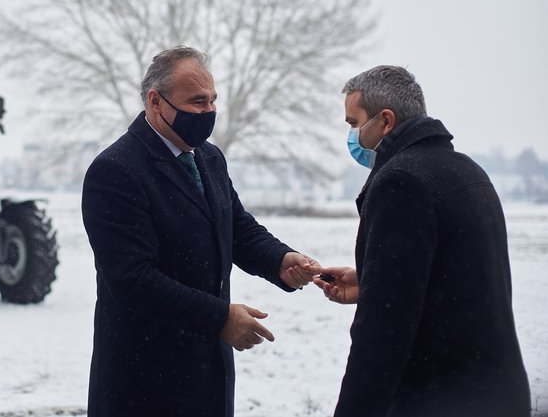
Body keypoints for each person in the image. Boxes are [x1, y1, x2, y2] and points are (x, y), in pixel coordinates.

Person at [81, 46, 321, 417]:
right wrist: (220, 317)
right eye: (196, 102)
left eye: (212, 100)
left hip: (208, 375)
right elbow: (132, 279)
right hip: (143, 383)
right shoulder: (116, 171)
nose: (208, 112)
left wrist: (281, 260)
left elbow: (236, 228)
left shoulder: (208, 157)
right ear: (155, 101)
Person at [314, 65, 531, 417]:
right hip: (495, 390)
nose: (352, 136)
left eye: (354, 123)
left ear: (385, 121)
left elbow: (383, 330)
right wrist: (372, 280)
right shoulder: (466, 170)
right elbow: (453, 279)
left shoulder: (401, 182)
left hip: (440, 396)